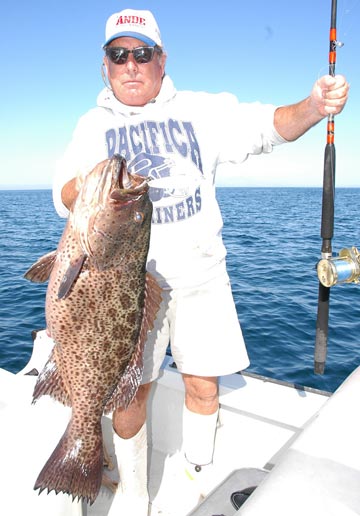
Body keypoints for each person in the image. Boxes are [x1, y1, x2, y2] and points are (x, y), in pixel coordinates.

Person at [53, 8, 349, 515]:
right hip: (128, 283)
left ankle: (195, 474)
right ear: (104, 66)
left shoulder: (199, 110)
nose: (130, 64)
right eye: (117, 54)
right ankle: (132, 491)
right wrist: (91, 185)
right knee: (130, 392)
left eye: (141, 53)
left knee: (202, 383)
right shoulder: (91, 125)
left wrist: (314, 105)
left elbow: (267, 127)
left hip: (201, 275)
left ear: (161, 60)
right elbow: (63, 197)